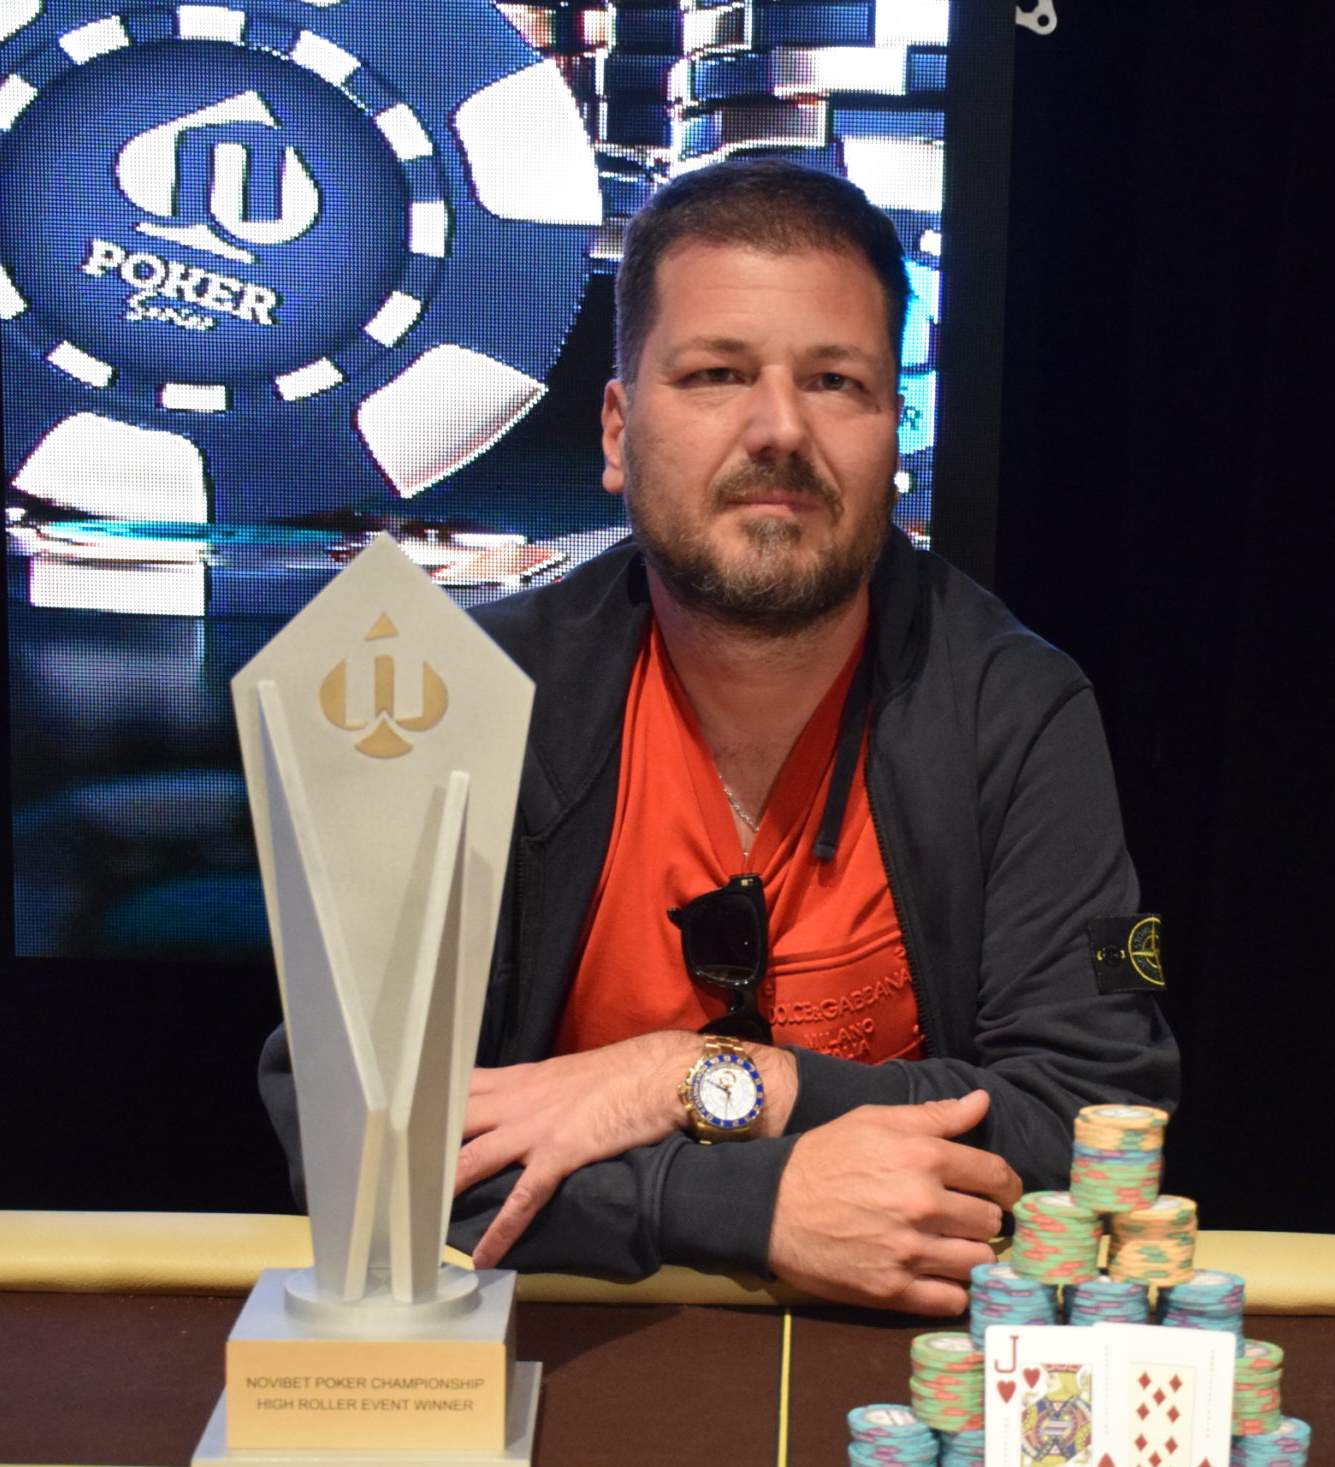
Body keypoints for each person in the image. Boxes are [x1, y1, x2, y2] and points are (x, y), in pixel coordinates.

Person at [259, 159, 1173, 1315]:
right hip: (562, 1353)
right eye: (715, 374)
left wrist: (686, 1076)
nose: (778, 428)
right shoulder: (453, 698)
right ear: (616, 429)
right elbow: (353, 1134)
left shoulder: (1017, 707)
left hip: (896, 1356)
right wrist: (744, 1198)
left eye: (836, 381)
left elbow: (1094, 1124)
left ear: (894, 432)